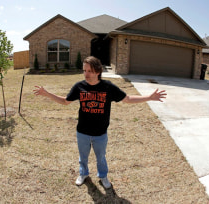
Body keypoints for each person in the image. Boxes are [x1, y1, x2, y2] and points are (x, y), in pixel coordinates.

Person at [33, 56, 166, 189]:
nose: (86, 74)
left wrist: (149, 97)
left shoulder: (107, 87)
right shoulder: (79, 87)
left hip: (100, 133)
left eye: (90, 71)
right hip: (82, 132)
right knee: (83, 157)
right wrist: (47, 94)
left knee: (101, 157)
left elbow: (128, 99)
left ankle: (103, 176)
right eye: (84, 70)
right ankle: (83, 174)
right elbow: (65, 101)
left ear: (98, 72)